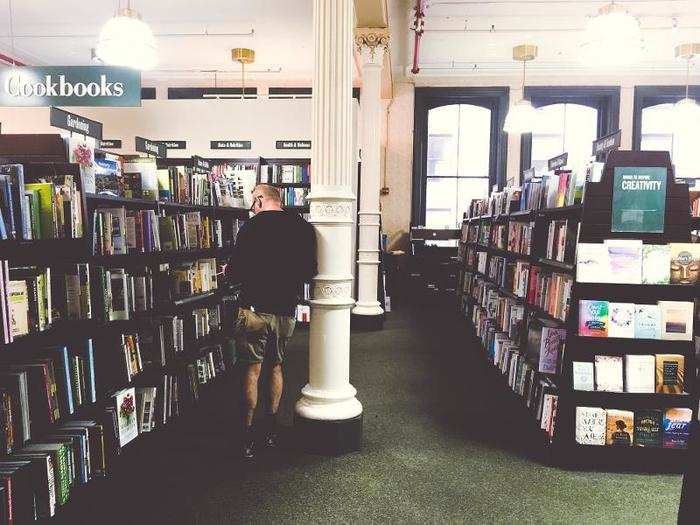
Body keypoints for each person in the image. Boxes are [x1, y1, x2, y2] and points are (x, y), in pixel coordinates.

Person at [227, 184, 317, 459]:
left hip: (254, 309)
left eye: (253, 201)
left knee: (252, 370)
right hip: (285, 310)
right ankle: (270, 429)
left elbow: (235, 271)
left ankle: (246, 436)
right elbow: (308, 270)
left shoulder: (251, 228)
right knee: (276, 366)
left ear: (259, 199)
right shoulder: (302, 227)